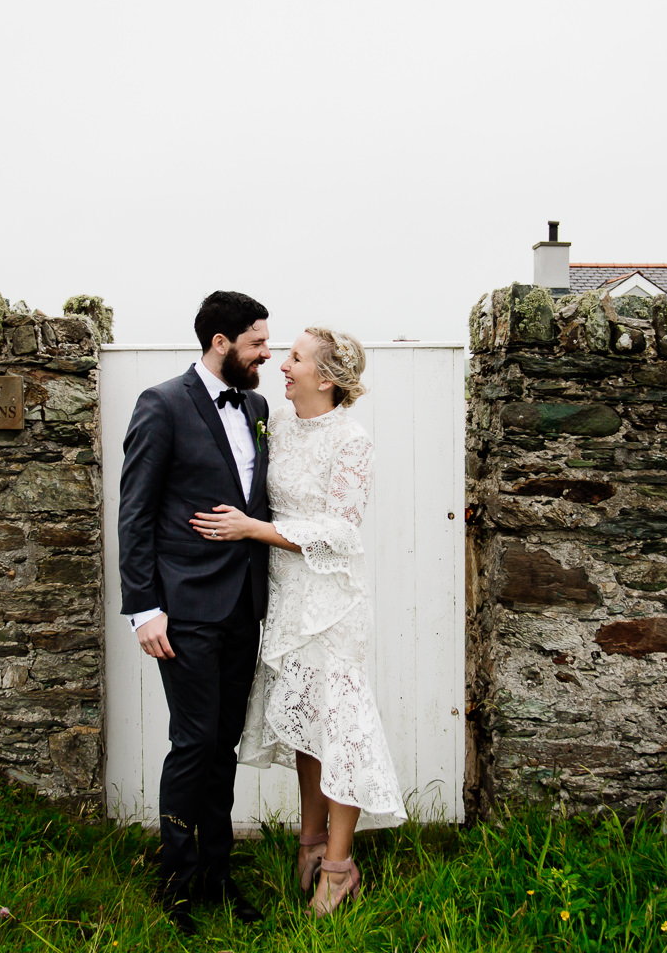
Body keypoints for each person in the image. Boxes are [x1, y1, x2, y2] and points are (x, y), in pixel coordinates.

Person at [191, 326, 406, 918]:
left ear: (326, 376)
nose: (282, 364)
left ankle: (339, 867)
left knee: (339, 728)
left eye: (295, 358)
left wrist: (253, 531)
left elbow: (342, 529)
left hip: (331, 602)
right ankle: (310, 845)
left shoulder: (351, 439)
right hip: (285, 597)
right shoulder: (278, 426)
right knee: (308, 723)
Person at [117, 291, 273, 935]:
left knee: (225, 742)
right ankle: (176, 885)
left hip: (245, 604)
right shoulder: (162, 404)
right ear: (221, 343)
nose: (268, 352)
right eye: (258, 342)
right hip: (182, 608)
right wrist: (143, 608)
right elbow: (135, 514)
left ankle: (217, 871)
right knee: (193, 742)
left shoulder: (258, 406)